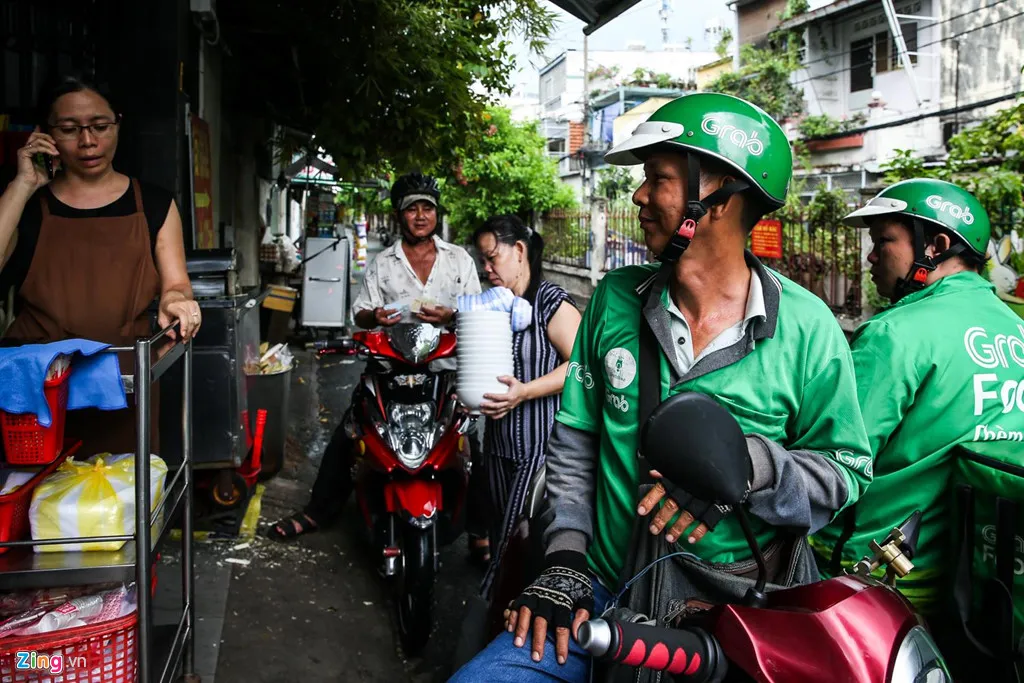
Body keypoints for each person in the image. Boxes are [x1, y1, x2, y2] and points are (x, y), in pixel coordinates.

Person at [450, 92, 871, 682]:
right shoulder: (614, 302)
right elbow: (575, 444)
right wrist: (567, 557)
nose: (639, 196)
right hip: (601, 589)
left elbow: (845, 472)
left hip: (735, 613)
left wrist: (749, 469)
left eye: (659, 179)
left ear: (720, 197)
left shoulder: (809, 328)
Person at [810, 179, 1024, 616]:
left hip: (872, 577)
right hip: (980, 574)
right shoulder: (1013, 329)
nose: (872, 256)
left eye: (884, 240)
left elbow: (829, 462)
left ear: (936, 245)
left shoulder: (895, 334)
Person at [267, 173, 491, 561]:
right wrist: (376, 317)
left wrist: (450, 314)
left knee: (470, 441)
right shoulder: (383, 263)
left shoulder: (459, 259)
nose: (420, 216)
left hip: (444, 370)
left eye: (427, 208)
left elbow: (476, 311)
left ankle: (479, 528)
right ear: (400, 215)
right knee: (350, 431)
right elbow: (360, 313)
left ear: (437, 214)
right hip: (389, 369)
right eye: (411, 209)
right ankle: (318, 511)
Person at [0, 74, 199, 456]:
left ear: (118, 123)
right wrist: (24, 183)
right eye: (70, 129)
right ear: (46, 134)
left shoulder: (154, 205)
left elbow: (176, 285)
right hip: (36, 394)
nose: (88, 142)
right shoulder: (25, 205)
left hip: (123, 383)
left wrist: (177, 303)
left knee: (121, 505)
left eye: (100, 127)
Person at [471, 215, 582, 599]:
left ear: (519, 251)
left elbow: (581, 367)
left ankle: (497, 620)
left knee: (511, 541)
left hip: (539, 450)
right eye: (482, 262)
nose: (487, 270)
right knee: (502, 528)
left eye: (492, 258)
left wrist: (525, 391)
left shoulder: (550, 302)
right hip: (498, 444)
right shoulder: (498, 306)